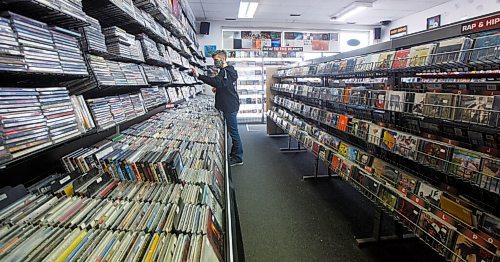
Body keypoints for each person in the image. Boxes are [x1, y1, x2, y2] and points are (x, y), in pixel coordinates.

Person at [191, 50, 244, 167]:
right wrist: (219, 89)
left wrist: (198, 75)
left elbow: (217, 82)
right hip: (229, 104)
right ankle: (235, 153)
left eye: (216, 60)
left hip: (229, 106)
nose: (215, 62)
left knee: (234, 132)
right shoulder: (226, 71)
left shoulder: (226, 71)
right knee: (232, 130)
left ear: (223, 59)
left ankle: (238, 157)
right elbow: (223, 84)